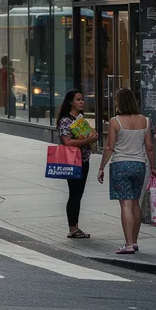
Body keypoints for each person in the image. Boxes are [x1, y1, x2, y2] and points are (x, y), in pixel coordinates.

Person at [99, 89, 154, 255]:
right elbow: (149, 147)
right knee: (135, 202)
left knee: (125, 204)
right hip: (139, 165)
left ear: (119, 102)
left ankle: (128, 243)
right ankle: (135, 241)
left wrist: (101, 166)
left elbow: (109, 147)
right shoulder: (145, 121)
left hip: (120, 165)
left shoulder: (115, 121)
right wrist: (153, 167)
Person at [56, 90, 97, 240]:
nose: (81, 102)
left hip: (83, 160)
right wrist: (88, 141)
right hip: (73, 161)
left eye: (82, 99)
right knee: (74, 194)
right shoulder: (66, 120)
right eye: (78, 100)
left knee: (78, 194)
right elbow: (67, 142)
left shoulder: (79, 118)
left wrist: (92, 136)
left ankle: (75, 227)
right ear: (71, 102)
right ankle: (73, 228)